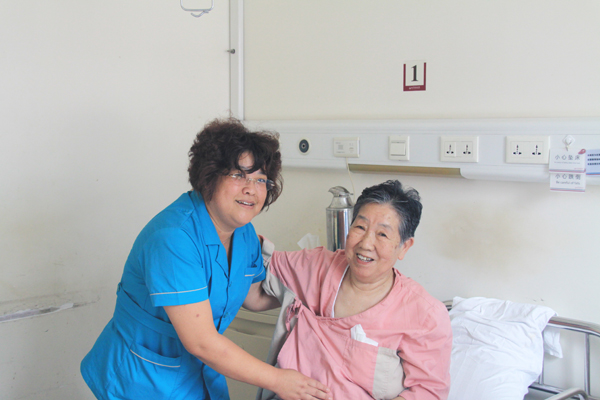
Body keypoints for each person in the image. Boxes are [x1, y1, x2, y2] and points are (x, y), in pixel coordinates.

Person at [80, 118, 331, 400]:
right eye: (239, 175)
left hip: (195, 372)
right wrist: (279, 380)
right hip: (142, 377)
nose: (251, 188)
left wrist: (318, 289)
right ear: (209, 175)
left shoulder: (244, 233)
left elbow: (254, 297)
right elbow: (201, 342)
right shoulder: (174, 238)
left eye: (260, 179)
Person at [258, 180, 452, 400]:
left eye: (382, 234)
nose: (366, 244)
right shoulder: (316, 267)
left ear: (404, 247)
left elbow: (428, 391)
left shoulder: (425, 315)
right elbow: (257, 265)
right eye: (360, 227)